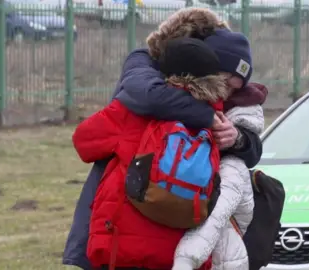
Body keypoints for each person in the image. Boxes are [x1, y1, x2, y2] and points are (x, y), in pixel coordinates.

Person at [62, 7, 267, 270]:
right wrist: (208, 115)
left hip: (124, 242)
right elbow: (147, 94)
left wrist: (238, 138)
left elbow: (84, 140)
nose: (227, 95)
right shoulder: (146, 64)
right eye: (225, 84)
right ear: (208, 66)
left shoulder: (220, 106)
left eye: (234, 89)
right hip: (156, 239)